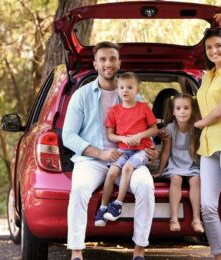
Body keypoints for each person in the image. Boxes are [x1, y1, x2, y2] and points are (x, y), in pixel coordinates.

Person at [62, 41, 156, 260]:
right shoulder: (82, 95)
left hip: (128, 157)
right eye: (103, 59)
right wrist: (99, 153)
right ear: (95, 64)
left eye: (112, 58)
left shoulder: (133, 95)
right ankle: (76, 252)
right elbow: (68, 135)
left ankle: (139, 251)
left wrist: (149, 149)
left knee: (145, 185)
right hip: (92, 160)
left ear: (119, 62)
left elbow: (144, 129)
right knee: (79, 190)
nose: (108, 63)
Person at [94, 72, 158, 226]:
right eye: (122, 87)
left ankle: (117, 204)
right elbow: (110, 135)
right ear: (117, 90)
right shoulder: (115, 111)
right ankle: (103, 208)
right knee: (111, 173)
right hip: (123, 149)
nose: (125, 90)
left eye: (129, 87)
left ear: (137, 90)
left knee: (128, 168)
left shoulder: (143, 108)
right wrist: (122, 138)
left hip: (142, 150)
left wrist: (140, 135)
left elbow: (154, 130)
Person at [153, 93, 204, 233]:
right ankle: (174, 219)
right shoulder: (169, 128)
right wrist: (159, 171)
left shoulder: (196, 128)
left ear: (192, 110)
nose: (182, 111)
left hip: (191, 164)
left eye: (186, 108)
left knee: (196, 180)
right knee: (175, 179)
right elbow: (165, 152)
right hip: (175, 164)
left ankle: (196, 219)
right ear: (174, 112)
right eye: (179, 108)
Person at [194, 27, 221, 260]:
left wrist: (201, 122)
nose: (213, 51)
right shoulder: (206, 75)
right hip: (208, 147)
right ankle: (218, 254)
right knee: (207, 207)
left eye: (218, 46)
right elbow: (197, 102)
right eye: (209, 47)